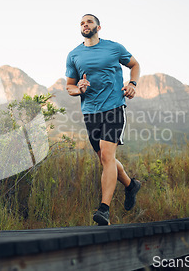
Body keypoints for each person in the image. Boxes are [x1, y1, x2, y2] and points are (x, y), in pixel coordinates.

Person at [65, 14, 141, 226]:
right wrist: (77, 88)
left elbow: (135, 64)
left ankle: (104, 210)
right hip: (90, 112)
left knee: (108, 157)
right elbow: (69, 87)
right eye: (81, 22)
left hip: (114, 107)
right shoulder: (74, 55)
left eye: (88, 21)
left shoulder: (113, 48)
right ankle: (130, 185)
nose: (85, 24)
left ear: (98, 26)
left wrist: (133, 83)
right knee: (104, 160)